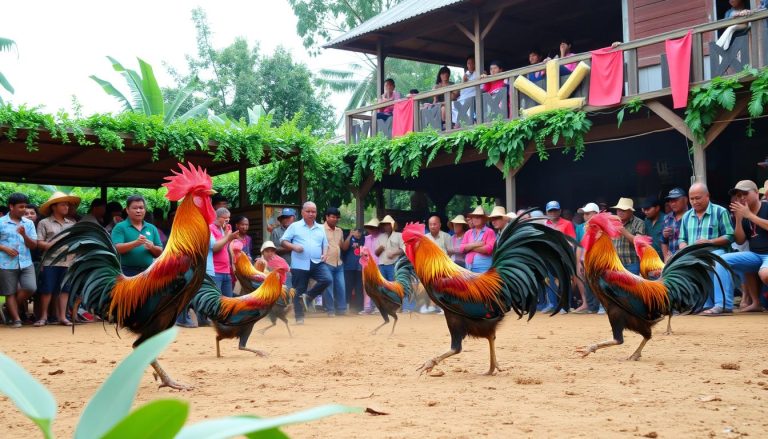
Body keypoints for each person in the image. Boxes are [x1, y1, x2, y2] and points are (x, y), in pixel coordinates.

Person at [678, 183, 735, 314]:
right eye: (691, 199)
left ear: (707, 196)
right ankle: (705, 304)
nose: (694, 201)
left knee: (716, 260)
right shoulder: (686, 216)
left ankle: (723, 304)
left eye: (698, 198)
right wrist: (685, 249)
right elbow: (682, 238)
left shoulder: (720, 211)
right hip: (694, 254)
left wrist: (710, 241)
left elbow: (730, 236)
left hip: (716, 251)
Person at [713, 180, 768, 314]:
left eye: (745, 194)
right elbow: (740, 240)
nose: (741, 198)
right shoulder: (742, 213)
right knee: (722, 260)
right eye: (738, 195)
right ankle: (724, 304)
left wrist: (750, 215)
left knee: (764, 273)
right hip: (755, 255)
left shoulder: (766, 206)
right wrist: (738, 219)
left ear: (756, 193)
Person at [280, 201, 331, 325]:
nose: (311, 214)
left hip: (317, 262)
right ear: (302, 212)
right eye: (308, 211)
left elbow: (325, 244)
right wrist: (294, 247)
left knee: (327, 279)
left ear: (316, 213)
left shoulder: (320, 227)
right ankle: (299, 317)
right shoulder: (295, 226)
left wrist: (325, 253)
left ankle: (308, 297)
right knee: (299, 290)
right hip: (299, 264)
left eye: (313, 211)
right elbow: (283, 241)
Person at [36, 191, 81, 326]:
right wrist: (50, 245)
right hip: (50, 261)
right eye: (63, 204)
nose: (66, 207)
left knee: (65, 290)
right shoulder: (44, 223)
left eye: (67, 205)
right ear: (53, 207)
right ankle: (43, 316)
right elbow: (39, 242)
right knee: (47, 289)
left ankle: (63, 317)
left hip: (68, 261)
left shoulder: (72, 223)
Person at [0, 193, 38, 328]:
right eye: (21, 207)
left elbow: (33, 245)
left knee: (30, 287)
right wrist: (4, 248)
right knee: (9, 292)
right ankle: (16, 319)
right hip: (5, 263)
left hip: (26, 262)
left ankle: (9, 307)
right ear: (11, 207)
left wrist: (24, 235)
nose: (24, 210)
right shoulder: (1, 222)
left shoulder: (28, 223)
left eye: (25, 207)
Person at [111, 195, 162, 276]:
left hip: (148, 271)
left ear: (145, 210)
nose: (138, 211)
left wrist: (152, 247)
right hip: (126, 271)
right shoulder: (120, 227)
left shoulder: (152, 228)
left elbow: (159, 252)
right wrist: (135, 243)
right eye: (135, 208)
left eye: (141, 208)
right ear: (127, 210)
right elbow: (116, 248)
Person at [376, 215, 409, 311]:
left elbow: (404, 249)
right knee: (383, 287)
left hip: (394, 264)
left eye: (388, 224)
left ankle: (398, 307)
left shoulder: (399, 235)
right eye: (384, 225)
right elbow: (376, 253)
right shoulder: (380, 237)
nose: (386, 226)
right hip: (382, 264)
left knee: (396, 286)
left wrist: (395, 252)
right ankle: (386, 307)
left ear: (392, 225)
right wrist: (380, 249)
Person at [575, 203, 601, 313]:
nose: (585, 216)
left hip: (597, 259)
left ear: (596, 214)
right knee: (588, 283)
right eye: (584, 214)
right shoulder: (581, 228)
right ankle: (591, 307)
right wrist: (579, 262)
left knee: (598, 282)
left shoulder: (601, 227)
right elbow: (579, 245)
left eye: (587, 213)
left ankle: (601, 306)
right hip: (584, 259)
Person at [609, 197, 646, 275]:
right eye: (618, 210)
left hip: (632, 264)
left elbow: (639, 243)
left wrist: (622, 230)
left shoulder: (639, 223)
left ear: (631, 211)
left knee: (632, 287)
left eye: (624, 210)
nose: (620, 212)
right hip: (616, 264)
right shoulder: (612, 223)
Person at [209, 207, 240, 298]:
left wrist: (232, 265)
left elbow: (226, 248)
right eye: (225, 219)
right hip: (215, 271)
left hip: (226, 271)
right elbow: (215, 248)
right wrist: (228, 237)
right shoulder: (210, 228)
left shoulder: (224, 229)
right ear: (217, 217)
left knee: (228, 303)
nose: (228, 221)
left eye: (229, 218)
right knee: (215, 302)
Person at [322, 207, 347, 316]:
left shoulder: (339, 230)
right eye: (332, 217)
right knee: (328, 288)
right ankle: (330, 310)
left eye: (337, 217)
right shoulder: (320, 229)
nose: (335, 219)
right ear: (327, 217)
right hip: (326, 263)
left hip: (339, 263)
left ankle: (341, 309)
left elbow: (341, 246)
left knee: (341, 286)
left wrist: (351, 236)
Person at [460, 207, 496, 273]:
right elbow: (462, 248)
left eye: (478, 217)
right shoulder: (468, 232)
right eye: (474, 217)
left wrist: (469, 247)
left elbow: (489, 249)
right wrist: (476, 244)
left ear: (483, 219)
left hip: (484, 268)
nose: (475, 219)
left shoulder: (489, 231)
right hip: (469, 267)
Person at [359, 218, 381, 315]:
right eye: (370, 227)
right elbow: (364, 250)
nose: (371, 229)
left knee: (377, 287)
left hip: (378, 265)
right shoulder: (367, 238)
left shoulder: (382, 238)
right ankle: (367, 307)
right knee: (367, 287)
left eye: (373, 227)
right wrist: (362, 252)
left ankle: (378, 307)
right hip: (366, 266)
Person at [661, 187, 688, 262]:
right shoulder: (667, 218)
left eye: (676, 200)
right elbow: (663, 241)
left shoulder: (692, 216)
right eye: (670, 201)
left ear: (685, 200)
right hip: (672, 260)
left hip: (688, 258)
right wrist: (666, 256)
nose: (672, 203)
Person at [342, 227, 364, 313]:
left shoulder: (363, 239)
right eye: (357, 232)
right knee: (348, 287)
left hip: (359, 267)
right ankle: (346, 306)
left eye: (360, 232)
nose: (358, 234)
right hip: (348, 267)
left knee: (359, 288)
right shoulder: (348, 239)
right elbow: (344, 247)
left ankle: (359, 308)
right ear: (352, 232)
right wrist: (350, 235)